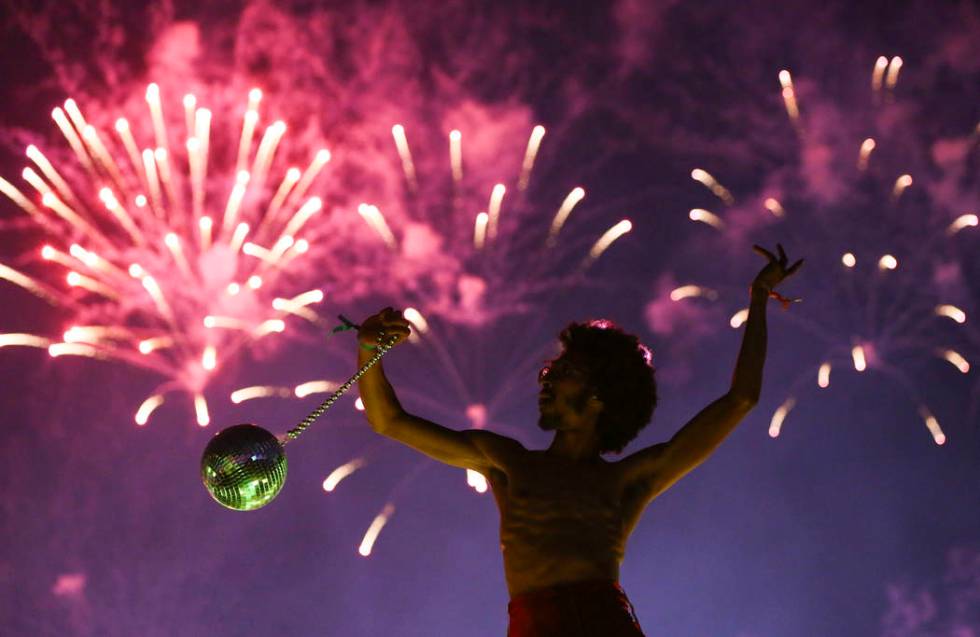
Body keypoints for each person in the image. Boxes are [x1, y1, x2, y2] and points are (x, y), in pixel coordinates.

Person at [356, 244, 802, 636]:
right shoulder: (506, 461)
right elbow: (389, 421)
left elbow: (741, 399)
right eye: (552, 369)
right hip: (531, 625)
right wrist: (368, 351)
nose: (546, 378)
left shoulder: (627, 480)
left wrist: (758, 299)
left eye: (565, 372)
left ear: (598, 398)